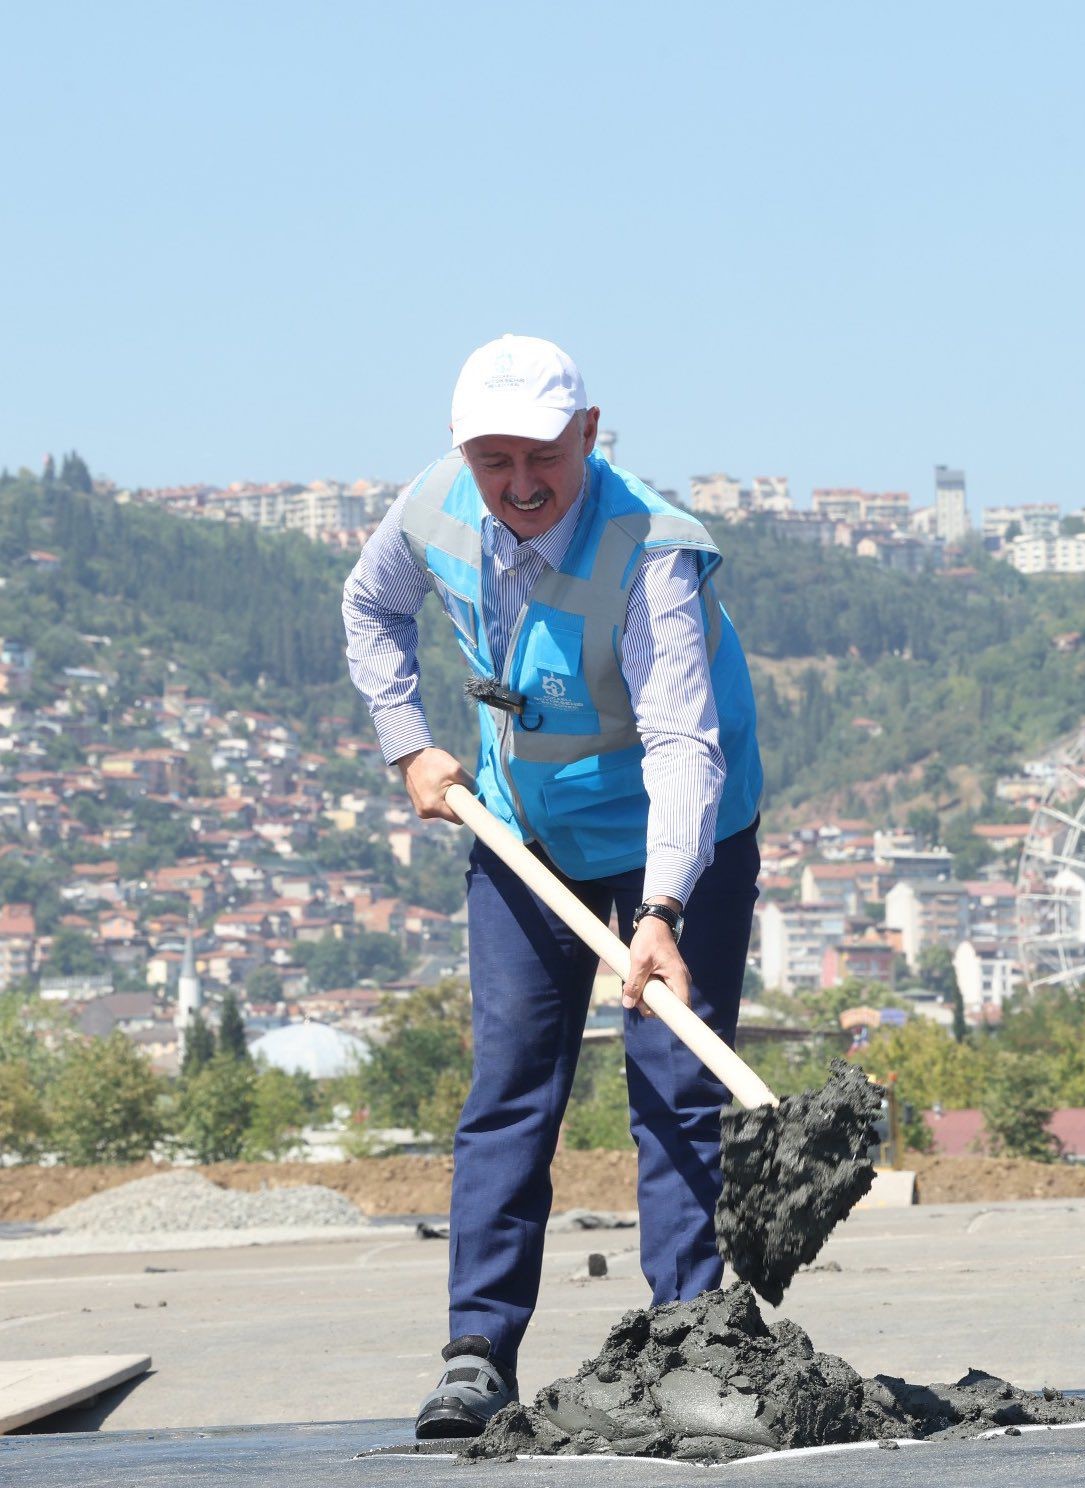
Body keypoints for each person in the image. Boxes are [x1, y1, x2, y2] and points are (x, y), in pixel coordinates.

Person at [342, 334, 763, 1438]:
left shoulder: (653, 549)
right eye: (494, 462)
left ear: (589, 434)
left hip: (678, 831)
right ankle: (478, 1352)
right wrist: (408, 746)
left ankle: (692, 1343)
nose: (521, 485)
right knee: (513, 1079)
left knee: (675, 1080)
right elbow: (367, 608)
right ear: (459, 453)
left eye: (543, 457)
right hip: (526, 830)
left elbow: (681, 739)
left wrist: (664, 911)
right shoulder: (432, 506)